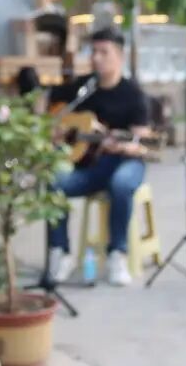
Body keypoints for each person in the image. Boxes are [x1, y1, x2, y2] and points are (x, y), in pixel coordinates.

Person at [45, 27, 151, 287]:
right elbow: (48, 102)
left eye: (104, 52)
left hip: (125, 162)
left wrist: (124, 147)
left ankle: (117, 254)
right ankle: (60, 253)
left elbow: (143, 143)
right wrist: (55, 129)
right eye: (93, 52)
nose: (96, 58)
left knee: (121, 184)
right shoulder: (83, 88)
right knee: (54, 182)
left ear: (120, 57)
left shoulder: (133, 95)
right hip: (88, 166)